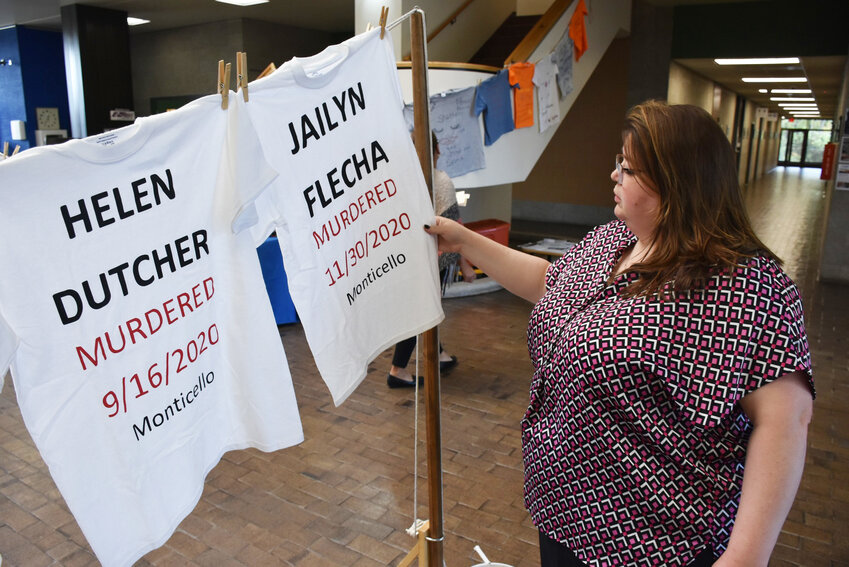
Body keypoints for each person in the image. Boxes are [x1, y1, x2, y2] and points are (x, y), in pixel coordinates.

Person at [424, 101, 814, 566]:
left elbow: (785, 422)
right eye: (617, 163)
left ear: (675, 183)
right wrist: (465, 240)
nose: (614, 176)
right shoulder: (613, 242)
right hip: (566, 517)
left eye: (626, 168)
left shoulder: (746, 285)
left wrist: (744, 558)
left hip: (652, 541)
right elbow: (550, 283)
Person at [388, 132, 475, 388]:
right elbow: (452, 230)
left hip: (404, 258)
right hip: (432, 258)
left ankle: (438, 354)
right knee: (419, 311)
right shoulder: (441, 181)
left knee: (423, 308)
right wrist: (465, 264)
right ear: (436, 150)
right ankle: (398, 369)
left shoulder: (399, 181)